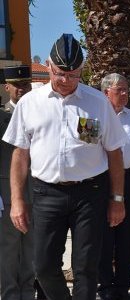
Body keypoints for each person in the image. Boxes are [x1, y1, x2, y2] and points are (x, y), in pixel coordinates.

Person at [2, 34, 127, 300]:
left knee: (86, 267)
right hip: (47, 193)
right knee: (43, 267)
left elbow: (114, 153)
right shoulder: (30, 103)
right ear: (48, 66)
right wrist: (16, 200)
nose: (66, 81)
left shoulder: (97, 103)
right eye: (60, 74)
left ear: (83, 71)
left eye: (74, 75)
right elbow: (20, 155)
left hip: (90, 193)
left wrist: (117, 198)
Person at [98, 73, 130, 300]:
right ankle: (106, 288)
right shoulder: (93, 115)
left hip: (128, 180)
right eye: (120, 90)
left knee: (127, 239)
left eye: (127, 89)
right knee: (103, 238)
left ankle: (122, 289)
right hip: (101, 181)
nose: (125, 94)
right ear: (106, 92)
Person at [0, 65, 35, 300]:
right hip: (6, 188)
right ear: (7, 87)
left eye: (26, 85)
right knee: (9, 247)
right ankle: (11, 294)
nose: (22, 89)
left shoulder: (38, 113)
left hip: (38, 187)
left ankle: (28, 292)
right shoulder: (2, 116)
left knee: (32, 245)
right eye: (17, 85)